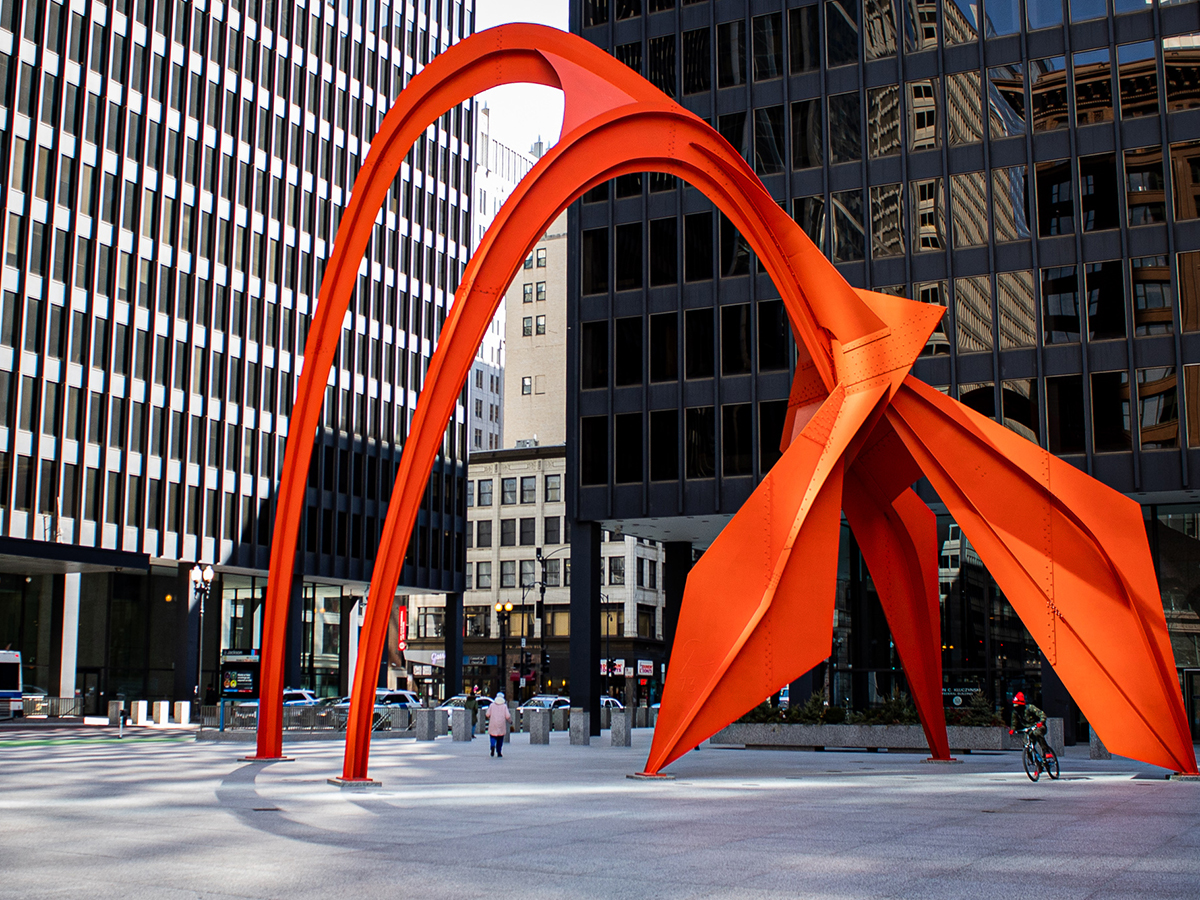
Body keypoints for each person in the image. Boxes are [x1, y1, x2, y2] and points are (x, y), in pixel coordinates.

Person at [1010, 691, 1053, 761]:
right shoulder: (1015, 712)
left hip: (1037, 726)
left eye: (1017, 705)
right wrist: (1013, 729)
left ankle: (1046, 751)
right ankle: (1034, 762)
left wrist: (1041, 722)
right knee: (1026, 744)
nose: (1016, 708)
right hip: (1028, 729)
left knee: (1037, 733)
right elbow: (1014, 722)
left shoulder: (1030, 707)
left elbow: (1041, 714)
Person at [486, 692, 511, 758]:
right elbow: (507, 716)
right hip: (501, 724)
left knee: (492, 736)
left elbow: (487, 714)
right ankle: (499, 751)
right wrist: (510, 721)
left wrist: (489, 717)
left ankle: (492, 746)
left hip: (493, 723)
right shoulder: (504, 706)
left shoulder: (492, 705)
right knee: (500, 738)